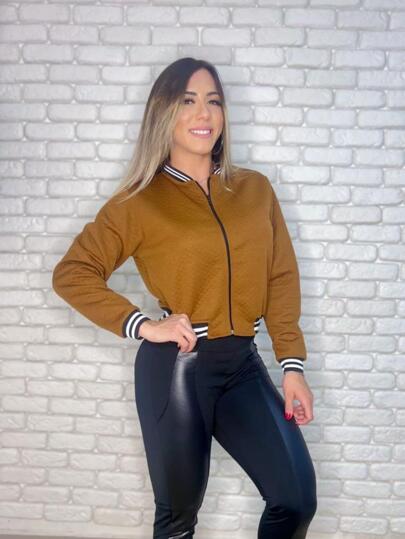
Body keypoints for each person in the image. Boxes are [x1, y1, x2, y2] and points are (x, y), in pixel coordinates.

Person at [52, 57, 317, 539]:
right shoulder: (140, 201)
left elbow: (280, 277)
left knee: (295, 500)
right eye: (187, 101)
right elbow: (72, 273)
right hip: (178, 369)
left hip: (242, 366)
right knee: (178, 521)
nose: (204, 113)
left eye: (213, 101)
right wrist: (144, 325)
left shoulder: (255, 189)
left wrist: (292, 365)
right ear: (164, 113)